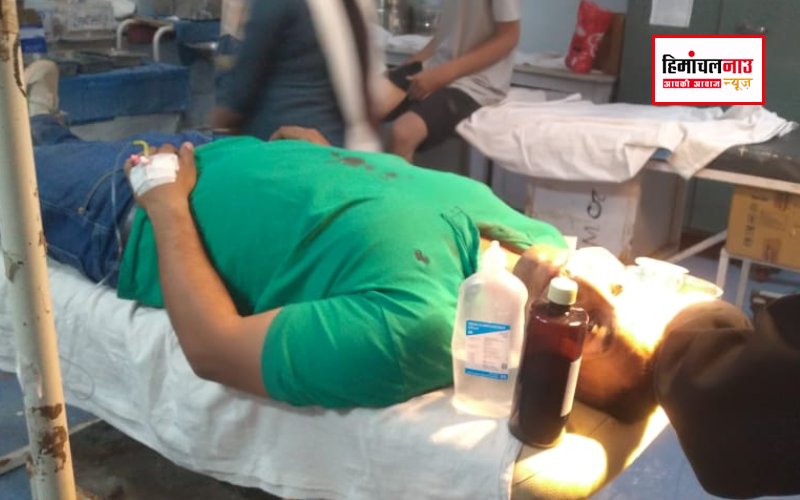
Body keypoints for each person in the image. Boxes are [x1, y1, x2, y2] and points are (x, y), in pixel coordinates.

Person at [213, 0, 381, 150]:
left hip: (285, 148)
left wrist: (221, 119)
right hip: (341, 144)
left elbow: (243, 84)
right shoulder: (355, 5)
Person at [380, 0, 521, 161]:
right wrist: (408, 66)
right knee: (364, 104)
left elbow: (509, 36)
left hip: (476, 81)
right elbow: (446, 33)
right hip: (437, 64)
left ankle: (395, 178)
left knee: (403, 133)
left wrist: (443, 75)